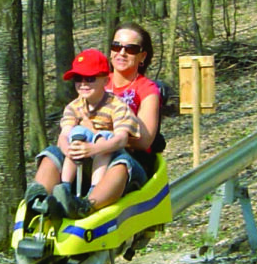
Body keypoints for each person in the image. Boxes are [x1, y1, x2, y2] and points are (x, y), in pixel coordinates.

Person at [27, 22, 163, 218]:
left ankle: (86, 206)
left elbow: (144, 141)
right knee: (51, 154)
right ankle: (40, 202)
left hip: (124, 157)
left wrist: (96, 132)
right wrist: (71, 145)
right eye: (117, 46)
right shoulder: (92, 78)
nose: (122, 53)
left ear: (142, 56)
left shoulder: (146, 89)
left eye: (130, 49)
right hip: (83, 155)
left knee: (121, 164)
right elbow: (70, 121)